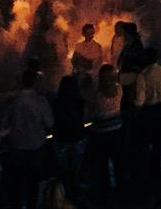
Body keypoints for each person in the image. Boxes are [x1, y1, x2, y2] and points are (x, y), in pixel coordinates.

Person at [3, 67, 54, 209]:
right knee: (34, 181)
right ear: (34, 82)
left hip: (17, 146)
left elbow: (5, 123)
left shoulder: (13, 100)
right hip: (36, 146)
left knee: (17, 182)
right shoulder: (41, 101)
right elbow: (50, 123)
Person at [88, 64, 124, 198]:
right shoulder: (119, 89)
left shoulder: (96, 95)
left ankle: (106, 190)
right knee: (118, 160)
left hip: (101, 132)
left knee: (103, 162)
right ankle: (120, 188)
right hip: (117, 130)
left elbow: (91, 112)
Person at [134, 48, 161, 180]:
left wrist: (136, 111)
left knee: (147, 142)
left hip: (149, 112)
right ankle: (160, 170)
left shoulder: (143, 75)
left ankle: (149, 172)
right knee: (159, 142)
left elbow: (140, 99)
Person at [52, 75, 86, 200]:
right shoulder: (80, 101)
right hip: (77, 138)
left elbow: (52, 122)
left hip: (62, 139)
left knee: (63, 169)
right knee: (76, 168)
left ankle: (64, 195)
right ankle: (76, 193)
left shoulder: (57, 102)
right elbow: (84, 117)